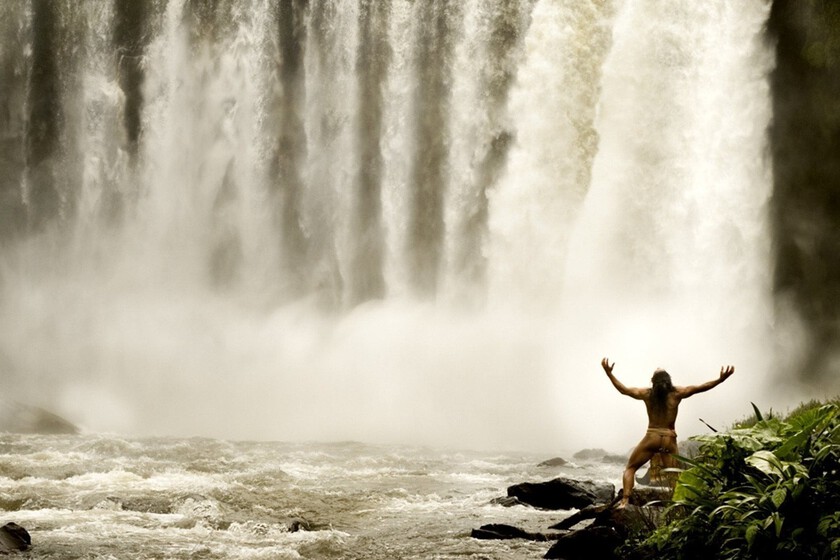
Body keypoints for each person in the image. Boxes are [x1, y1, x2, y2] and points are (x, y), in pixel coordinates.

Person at [600, 357, 735, 508]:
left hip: (652, 437)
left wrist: (609, 373)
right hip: (669, 438)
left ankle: (625, 501)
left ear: (653, 381)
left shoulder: (646, 393)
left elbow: (623, 390)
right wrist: (720, 380)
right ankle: (678, 506)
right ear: (668, 380)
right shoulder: (677, 393)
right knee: (675, 476)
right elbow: (701, 387)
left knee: (630, 468)